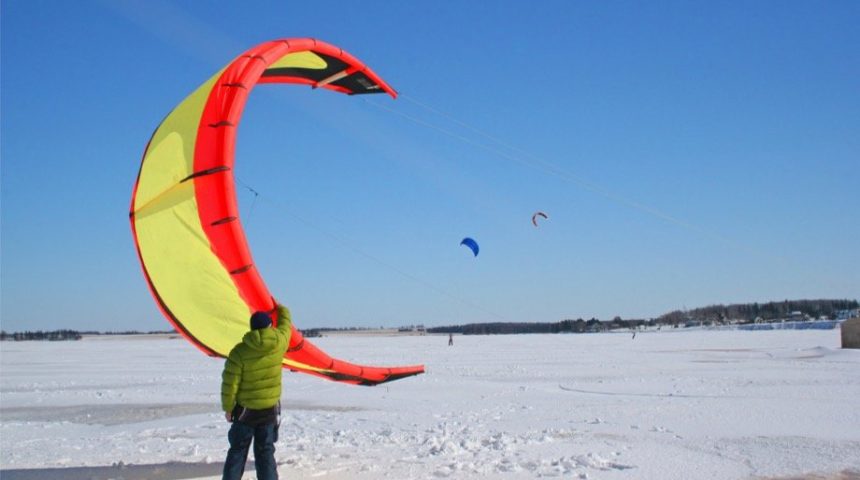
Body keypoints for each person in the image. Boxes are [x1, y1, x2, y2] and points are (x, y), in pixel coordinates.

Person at [221, 304, 292, 480]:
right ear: (270, 326)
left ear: (252, 328)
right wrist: (280, 308)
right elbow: (285, 325)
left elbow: (230, 383)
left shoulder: (239, 352)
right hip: (268, 411)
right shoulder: (279, 343)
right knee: (265, 453)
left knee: (237, 452)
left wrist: (228, 408)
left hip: (245, 412)